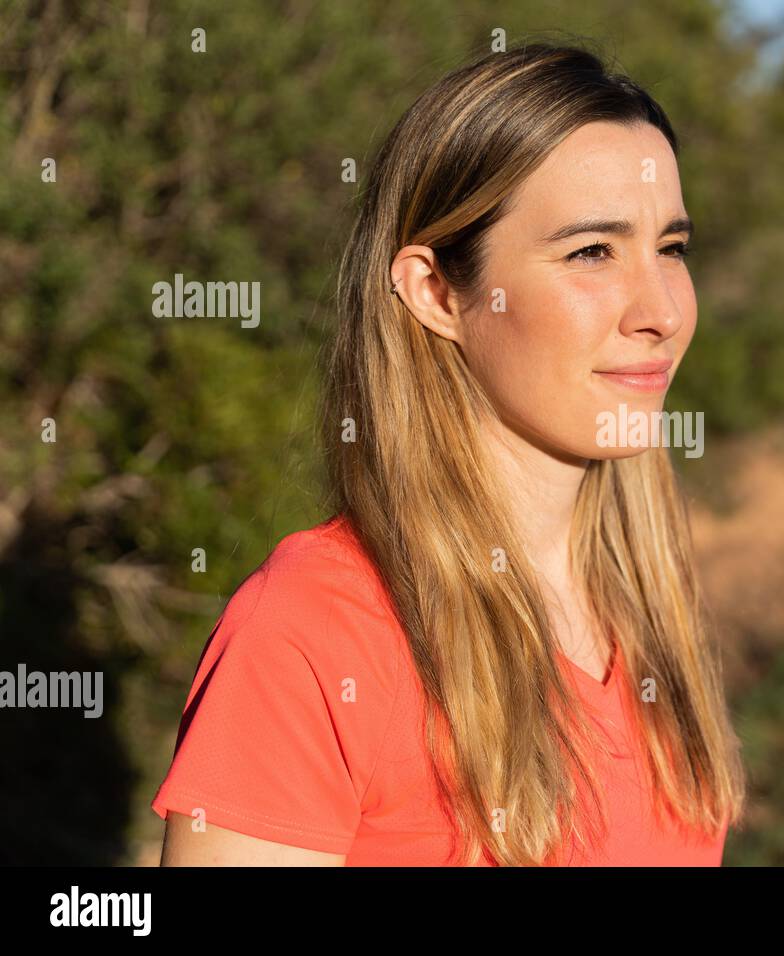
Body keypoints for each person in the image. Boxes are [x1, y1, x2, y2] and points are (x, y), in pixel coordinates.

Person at [151, 42, 747, 866]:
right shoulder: (313, 633)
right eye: (591, 252)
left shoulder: (649, 598)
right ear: (436, 292)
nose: (663, 312)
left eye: (671, 249)